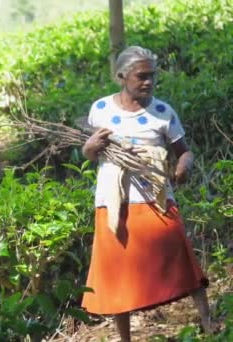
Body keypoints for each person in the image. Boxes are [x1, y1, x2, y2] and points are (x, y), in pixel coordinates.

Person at [80, 46, 212, 341]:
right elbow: (89, 152)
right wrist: (90, 148)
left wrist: (183, 165)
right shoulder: (101, 109)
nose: (148, 82)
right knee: (117, 269)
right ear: (122, 76)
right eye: (141, 76)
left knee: (179, 252)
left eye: (152, 76)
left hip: (155, 196)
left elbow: (185, 152)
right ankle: (124, 337)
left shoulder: (163, 112)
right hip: (113, 200)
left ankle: (207, 321)